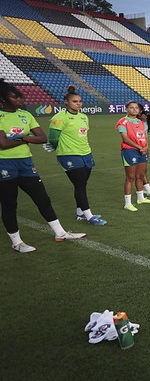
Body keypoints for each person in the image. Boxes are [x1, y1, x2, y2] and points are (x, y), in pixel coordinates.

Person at [0, 79, 85, 252]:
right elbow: (3, 144)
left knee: (42, 198)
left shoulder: (26, 115)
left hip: (26, 163)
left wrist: (22, 138)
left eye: (19, 97)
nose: (19, 99)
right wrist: (27, 139)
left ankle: (60, 232)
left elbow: (43, 138)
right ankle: (17, 242)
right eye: (14, 97)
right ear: (3, 99)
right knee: (9, 203)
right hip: (4, 164)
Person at [47, 86, 106, 226]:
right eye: (75, 101)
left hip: (86, 153)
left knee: (82, 184)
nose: (78, 103)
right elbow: (53, 138)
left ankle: (80, 213)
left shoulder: (83, 117)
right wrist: (59, 148)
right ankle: (89, 216)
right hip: (69, 155)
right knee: (79, 184)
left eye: (80, 101)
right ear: (66, 102)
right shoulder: (60, 117)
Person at [118, 102, 150, 212]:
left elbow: (145, 137)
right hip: (129, 151)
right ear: (126, 109)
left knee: (140, 175)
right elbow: (125, 138)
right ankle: (128, 203)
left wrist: (146, 147)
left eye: (136, 108)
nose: (134, 109)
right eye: (131, 108)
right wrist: (139, 147)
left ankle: (140, 198)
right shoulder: (123, 122)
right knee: (130, 177)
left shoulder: (141, 122)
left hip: (142, 151)